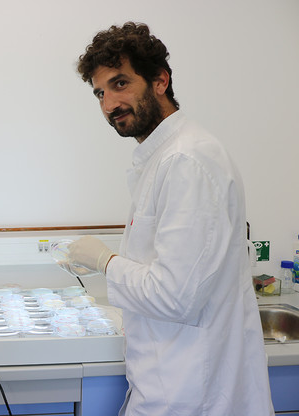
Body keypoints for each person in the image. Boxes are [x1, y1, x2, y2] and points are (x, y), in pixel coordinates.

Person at [69, 22, 274, 415]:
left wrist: (105, 262)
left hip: (192, 391)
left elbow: (174, 295)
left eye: (120, 83)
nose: (109, 105)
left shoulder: (187, 160)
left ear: (160, 81)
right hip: (172, 378)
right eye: (100, 93)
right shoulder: (164, 157)